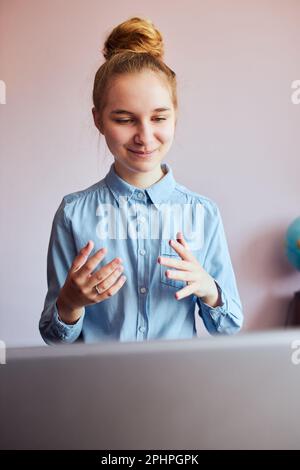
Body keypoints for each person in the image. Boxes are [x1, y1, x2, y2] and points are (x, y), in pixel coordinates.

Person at [39, 17, 243, 345]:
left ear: (175, 115)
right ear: (98, 120)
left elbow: (229, 326)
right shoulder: (73, 214)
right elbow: (54, 337)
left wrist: (209, 289)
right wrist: (70, 303)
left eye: (159, 118)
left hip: (177, 389)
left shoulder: (203, 214)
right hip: (100, 391)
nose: (144, 137)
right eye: (124, 119)